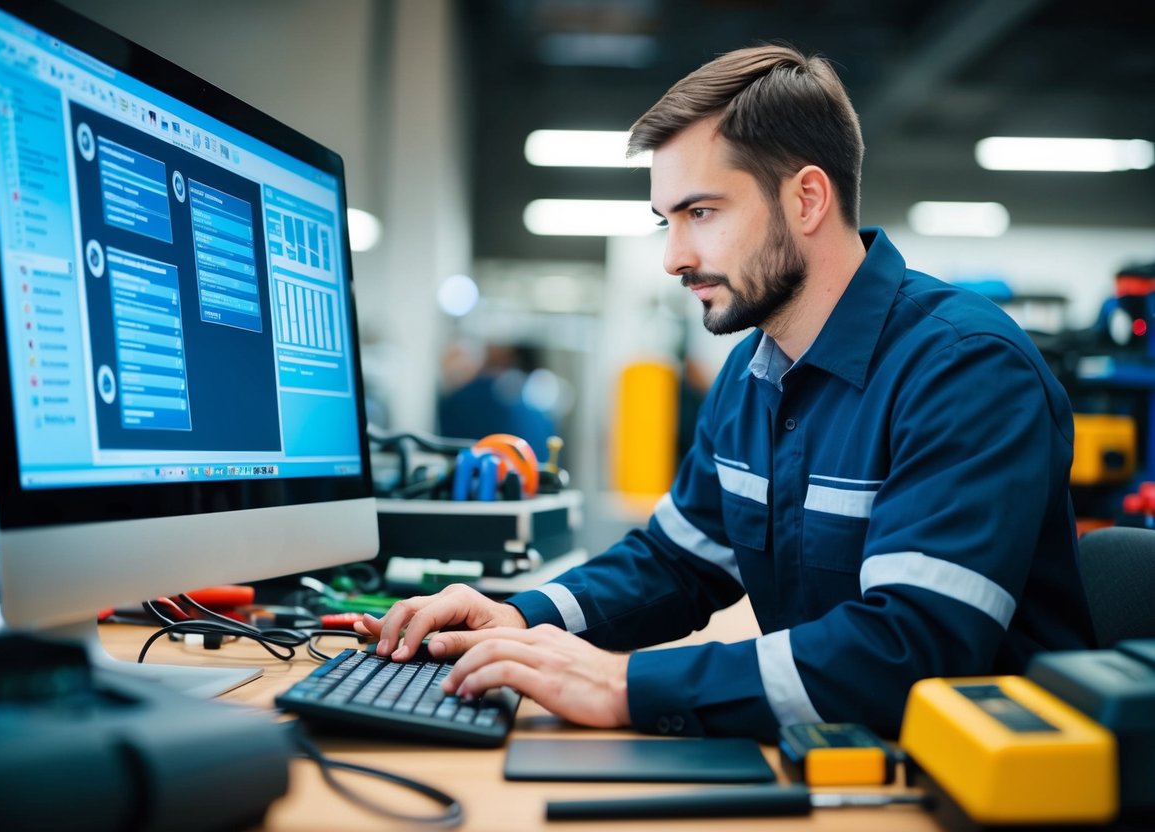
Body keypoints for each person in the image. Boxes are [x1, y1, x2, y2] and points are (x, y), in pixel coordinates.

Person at [356, 44, 1095, 740]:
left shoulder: (963, 370)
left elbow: (910, 649)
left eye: (700, 213)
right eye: (666, 221)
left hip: (974, 786)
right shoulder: (753, 373)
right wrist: (517, 617)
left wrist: (625, 687)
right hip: (832, 753)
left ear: (806, 199)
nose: (674, 257)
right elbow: (676, 563)